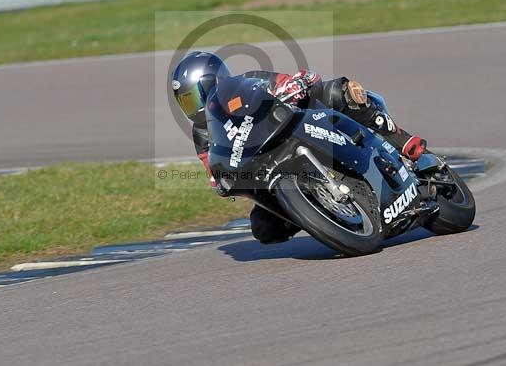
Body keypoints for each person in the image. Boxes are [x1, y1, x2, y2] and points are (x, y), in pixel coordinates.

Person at [171, 51, 428, 244]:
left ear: (210, 82)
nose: (191, 108)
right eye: (185, 102)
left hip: (300, 123)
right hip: (268, 165)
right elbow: (211, 166)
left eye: (193, 97)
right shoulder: (202, 133)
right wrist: (219, 180)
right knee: (263, 228)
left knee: (339, 92)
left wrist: (294, 84)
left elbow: (283, 82)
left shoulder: (248, 81)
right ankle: (323, 214)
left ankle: (399, 139)